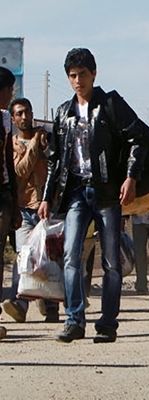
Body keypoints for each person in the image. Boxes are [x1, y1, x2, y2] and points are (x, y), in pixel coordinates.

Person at [39, 48, 149, 343]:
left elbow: (137, 139)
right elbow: (54, 159)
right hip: (77, 191)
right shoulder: (63, 112)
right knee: (71, 255)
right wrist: (45, 196)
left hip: (107, 192)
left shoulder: (111, 104)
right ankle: (74, 320)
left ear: (94, 74)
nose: (78, 81)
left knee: (112, 262)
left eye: (83, 74)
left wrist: (130, 177)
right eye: (73, 76)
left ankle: (107, 323)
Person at [2, 98, 60, 323]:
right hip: (24, 210)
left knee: (50, 258)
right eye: (19, 113)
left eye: (27, 112)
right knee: (24, 257)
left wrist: (42, 144)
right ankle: (21, 303)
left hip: (45, 208)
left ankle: (51, 305)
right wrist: (35, 142)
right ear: (14, 119)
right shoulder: (14, 144)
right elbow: (20, 171)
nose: (24, 117)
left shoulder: (47, 141)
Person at [0, 67, 20, 340]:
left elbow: (8, 162)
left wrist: (14, 202)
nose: (12, 95)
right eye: (10, 90)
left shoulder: (5, 119)